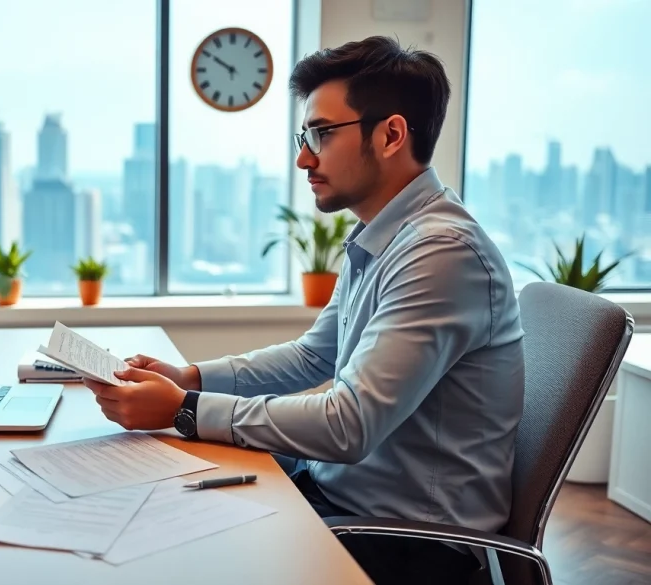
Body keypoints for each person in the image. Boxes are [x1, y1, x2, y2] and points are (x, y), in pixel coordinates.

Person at [83, 35, 525, 585]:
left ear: (390, 135)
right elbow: (314, 355)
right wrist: (188, 378)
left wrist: (184, 409)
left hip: (406, 543)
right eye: (305, 135)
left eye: (321, 134)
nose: (303, 157)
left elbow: (349, 425)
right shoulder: (387, 237)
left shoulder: (441, 253)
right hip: (341, 500)